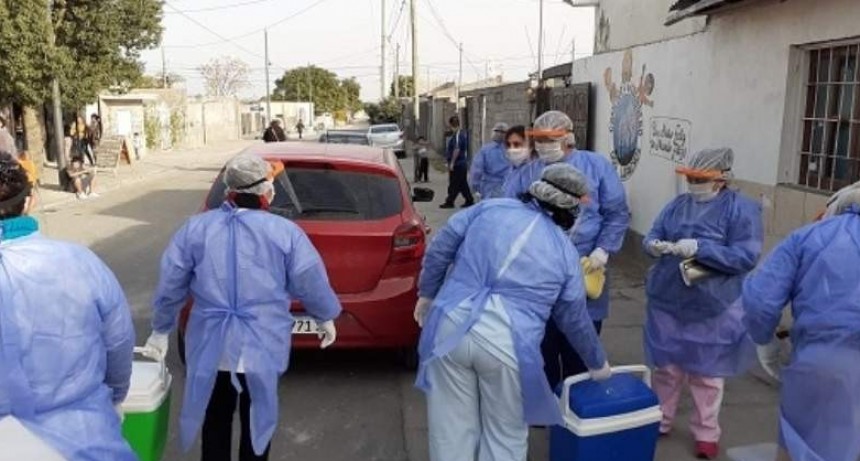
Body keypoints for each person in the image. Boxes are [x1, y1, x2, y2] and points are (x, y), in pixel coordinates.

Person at [144, 154, 342, 461]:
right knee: (258, 416)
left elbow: (172, 282)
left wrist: (161, 328)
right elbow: (309, 279)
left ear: (230, 190)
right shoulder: (284, 232)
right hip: (261, 341)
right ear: (266, 190)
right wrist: (325, 315)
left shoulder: (197, 229)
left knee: (216, 417)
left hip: (212, 342)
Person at [414, 163, 612, 461]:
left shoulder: (489, 208)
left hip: (450, 326)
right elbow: (574, 318)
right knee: (505, 435)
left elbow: (440, 248)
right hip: (507, 345)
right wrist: (597, 362)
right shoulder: (565, 252)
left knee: (451, 427)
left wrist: (427, 294)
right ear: (572, 209)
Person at [0, 151, 136, 460]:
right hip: (84, 439)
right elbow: (118, 343)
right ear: (30, 201)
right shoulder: (80, 262)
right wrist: (114, 398)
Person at [643, 148, 762, 460]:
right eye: (691, 178)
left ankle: (706, 433)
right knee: (666, 367)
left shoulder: (741, 209)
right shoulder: (677, 205)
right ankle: (660, 418)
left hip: (713, 303)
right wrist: (653, 245)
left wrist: (702, 248)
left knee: (706, 374)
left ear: (721, 179)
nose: (694, 184)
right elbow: (654, 232)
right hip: (668, 298)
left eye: (701, 179)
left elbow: (745, 256)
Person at [503, 111, 630, 391]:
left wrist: (602, 250)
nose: (543, 145)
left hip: (585, 266)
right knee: (542, 353)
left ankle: (575, 406)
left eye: (550, 139)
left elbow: (617, 213)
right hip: (539, 272)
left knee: (579, 353)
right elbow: (508, 216)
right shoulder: (527, 173)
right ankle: (546, 405)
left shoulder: (595, 166)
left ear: (568, 138)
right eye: (539, 139)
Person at [742, 186, 860, 461]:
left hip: (821, 366)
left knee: (799, 445)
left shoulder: (810, 237)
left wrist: (766, 342)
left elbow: (760, 301)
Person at [440, 116, 475, 209]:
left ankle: (450, 201)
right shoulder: (459, 134)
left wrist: (452, 163)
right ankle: (469, 199)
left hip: (458, 164)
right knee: (462, 184)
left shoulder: (458, 135)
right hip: (461, 164)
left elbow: (457, 149)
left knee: (454, 184)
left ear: (452, 125)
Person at [469, 122, 511, 200]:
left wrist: (474, 187)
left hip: (490, 188)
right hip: (509, 188)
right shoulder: (513, 150)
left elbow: (476, 171)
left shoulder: (485, 150)